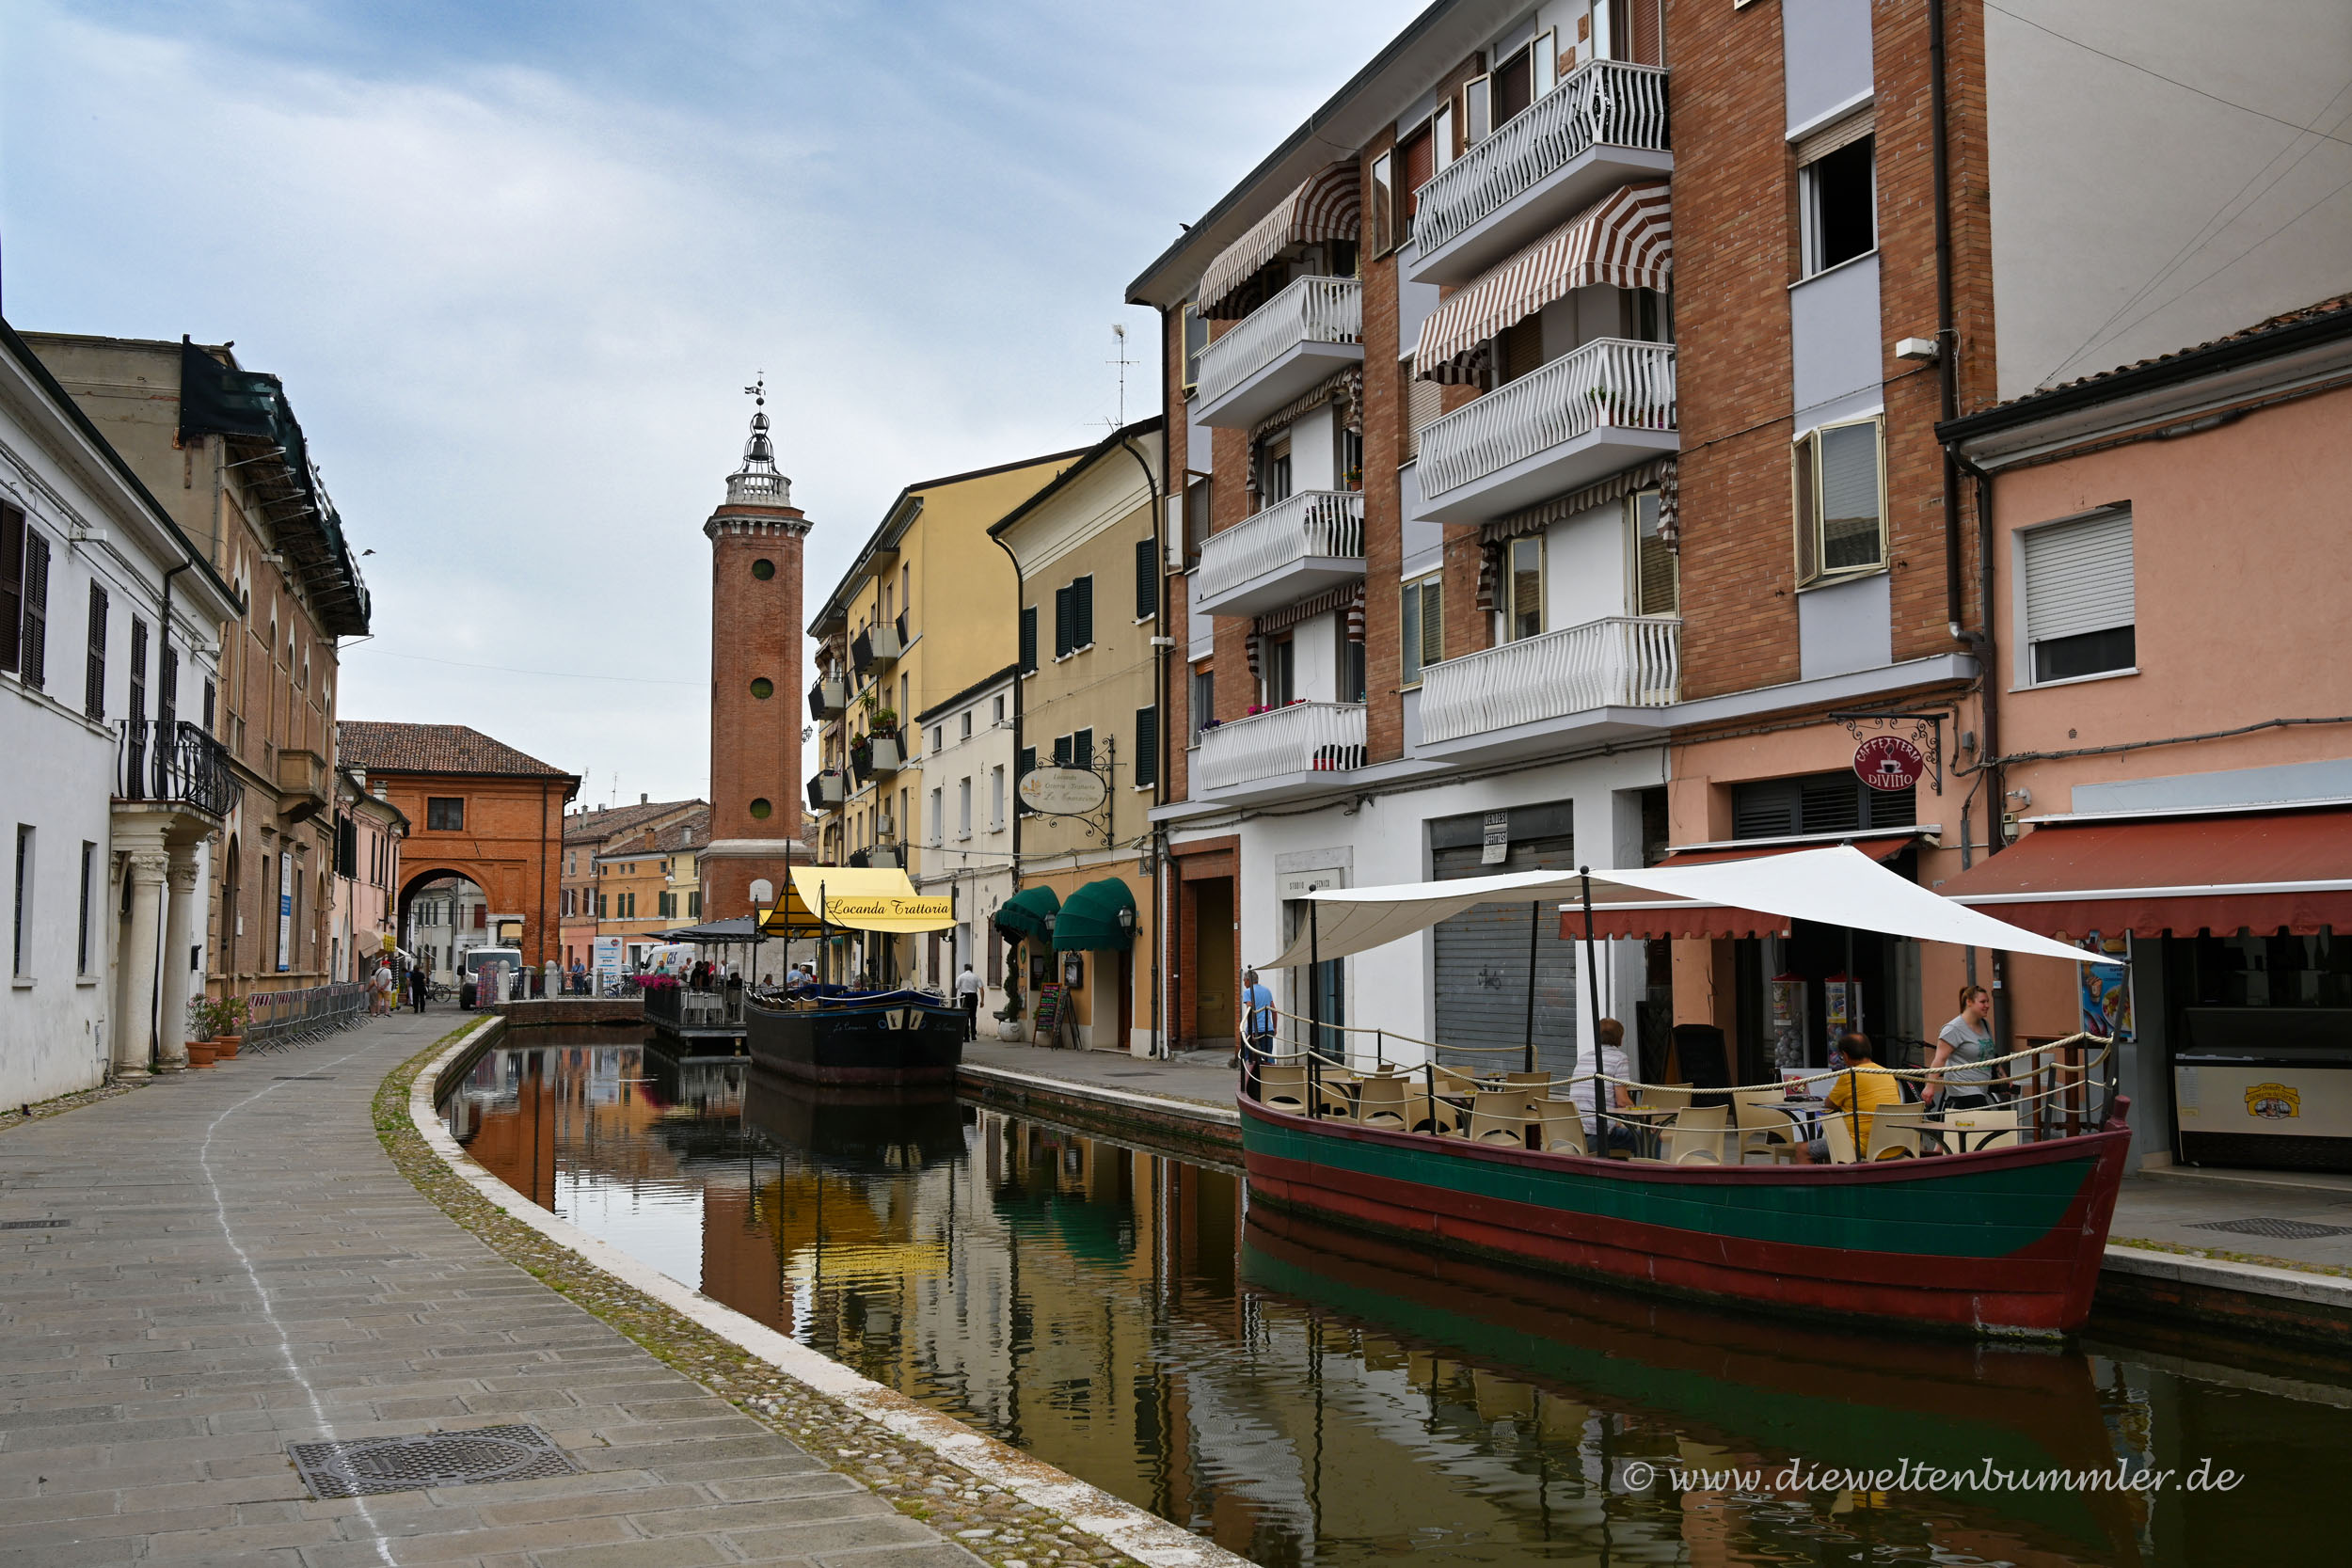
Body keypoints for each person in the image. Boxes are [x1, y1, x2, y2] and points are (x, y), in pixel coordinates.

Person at [1804, 1033, 1903, 1163]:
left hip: (1864, 1145)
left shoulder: (1850, 1076)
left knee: (1803, 1150)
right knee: (1833, 1143)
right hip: (1894, 1144)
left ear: (1845, 1055)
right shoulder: (1886, 1073)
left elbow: (1829, 1104)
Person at [1571, 1017, 1639, 1153]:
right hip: (1600, 1135)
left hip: (1576, 1135)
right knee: (1648, 1137)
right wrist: (1645, 1121)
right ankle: (1648, 1173)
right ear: (1620, 1038)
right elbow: (1622, 1102)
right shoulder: (1619, 1059)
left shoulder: (1584, 1057)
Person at [1927, 984, 1999, 1110]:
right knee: (1987, 1123)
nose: (1987, 1005)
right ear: (1969, 1002)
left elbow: (1990, 1055)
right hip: (1962, 1087)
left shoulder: (1984, 1024)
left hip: (1981, 1086)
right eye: (1983, 1002)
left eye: (1988, 1001)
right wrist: (1930, 1087)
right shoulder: (1953, 1029)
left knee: (1968, 1126)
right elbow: (1939, 1059)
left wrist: (2003, 1079)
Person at [1236, 970, 1277, 1071]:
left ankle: (1250, 1077)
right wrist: (1274, 1027)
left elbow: (1251, 1010)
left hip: (1255, 1030)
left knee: (1247, 1055)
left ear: (1248, 980)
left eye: (1244, 981)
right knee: (1268, 1055)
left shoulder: (1248, 992)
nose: (1244, 983)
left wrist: (1252, 1031)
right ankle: (1272, 1076)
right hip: (1268, 1028)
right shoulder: (1267, 991)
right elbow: (1274, 1010)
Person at [956, 961, 982, 1040]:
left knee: (965, 1016)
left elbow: (957, 986)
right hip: (973, 996)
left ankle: (966, 1036)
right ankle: (973, 1035)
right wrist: (982, 1001)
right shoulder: (976, 977)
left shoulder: (960, 976)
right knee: (973, 1016)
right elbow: (981, 989)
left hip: (964, 997)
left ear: (965, 969)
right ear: (971, 969)